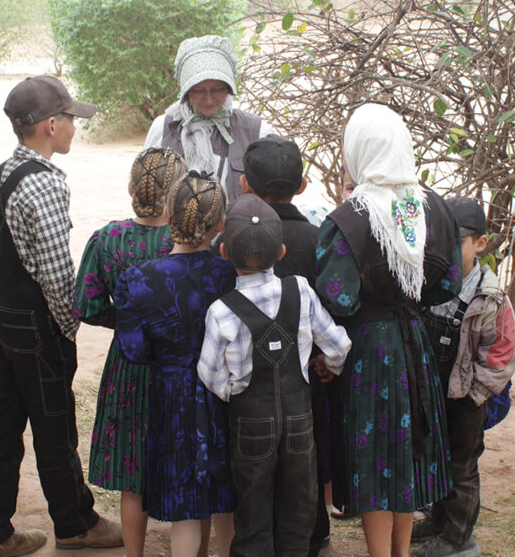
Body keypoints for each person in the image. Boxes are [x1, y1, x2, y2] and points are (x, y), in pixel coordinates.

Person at [0, 76, 122, 557]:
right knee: (54, 424)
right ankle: (76, 523)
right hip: (36, 322)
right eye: (72, 119)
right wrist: (67, 329)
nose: (76, 127)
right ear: (51, 125)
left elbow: (0, 258)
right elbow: (56, 275)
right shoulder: (47, 184)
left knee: (0, 422)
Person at [314, 103, 462, 557]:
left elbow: (338, 295)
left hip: (369, 350)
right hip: (413, 341)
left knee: (377, 456)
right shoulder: (433, 207)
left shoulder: (351, 217)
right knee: (405, 452)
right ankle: (399, 551)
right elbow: (449, 283)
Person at [198, 194, 351, 557]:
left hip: (251, 424)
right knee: (298, 513)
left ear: (224, 254)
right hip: (300, 420)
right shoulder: (300, 289)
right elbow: (338, 346)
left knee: (252, 512)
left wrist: (235, 390)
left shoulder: (222, 311)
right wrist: (329, 367)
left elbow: (210, 375)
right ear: (281, 252)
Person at [114, 171, 236, 556]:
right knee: (225, 499)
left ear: (168, 212)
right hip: (224, 391)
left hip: (172, 394)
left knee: (185, 505)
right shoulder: (228, 274)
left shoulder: (138, 279)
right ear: (219, 224)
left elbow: (132, 351)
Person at [75, 147, 186, 557]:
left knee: (133, 470)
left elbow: (85, 304)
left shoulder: (107, 239)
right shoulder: (185, 242)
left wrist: (124, 322)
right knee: (181, 462)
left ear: (130, 189)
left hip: (128, 365)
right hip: (178, 366)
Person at [236, 135, 335, 554]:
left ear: (244, 186)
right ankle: (313, 531)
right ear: (303, 184)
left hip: (249, 381)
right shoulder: (319, 239)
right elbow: (331, 305)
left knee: (255, 468)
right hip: (307, 374)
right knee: (306, 456)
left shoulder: (237, 239)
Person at [412, 197, 515, 557]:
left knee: (461, 468)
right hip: (433, 394)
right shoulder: (426, 284)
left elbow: (503, 353)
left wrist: (477, 393)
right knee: (436, 461)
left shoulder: (488, 297)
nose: (446, 251)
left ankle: (459, 541)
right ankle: (438, 521)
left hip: (466, 400)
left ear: (480, 243)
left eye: (457, 243)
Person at [144, 35, 274, 203]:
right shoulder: (164, 128)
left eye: (217, 89)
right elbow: (146, 190)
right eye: (198, 90)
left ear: (229, 88)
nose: (209, 99)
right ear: (186, 91)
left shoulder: (256, 130)